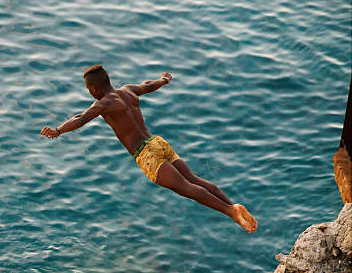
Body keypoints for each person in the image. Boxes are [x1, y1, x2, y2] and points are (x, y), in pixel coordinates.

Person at [40, 65, 257, 233]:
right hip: (157, 142)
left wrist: (58, 130)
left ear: (93, 88)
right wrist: (163, 79)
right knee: (195, 179)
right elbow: (147, 85)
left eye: (89, 90)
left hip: (146, 154)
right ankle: (233, 207)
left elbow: (81, 118)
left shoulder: (103, 104)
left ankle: (230, 210)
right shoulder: (127, 91)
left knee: (185, 188)